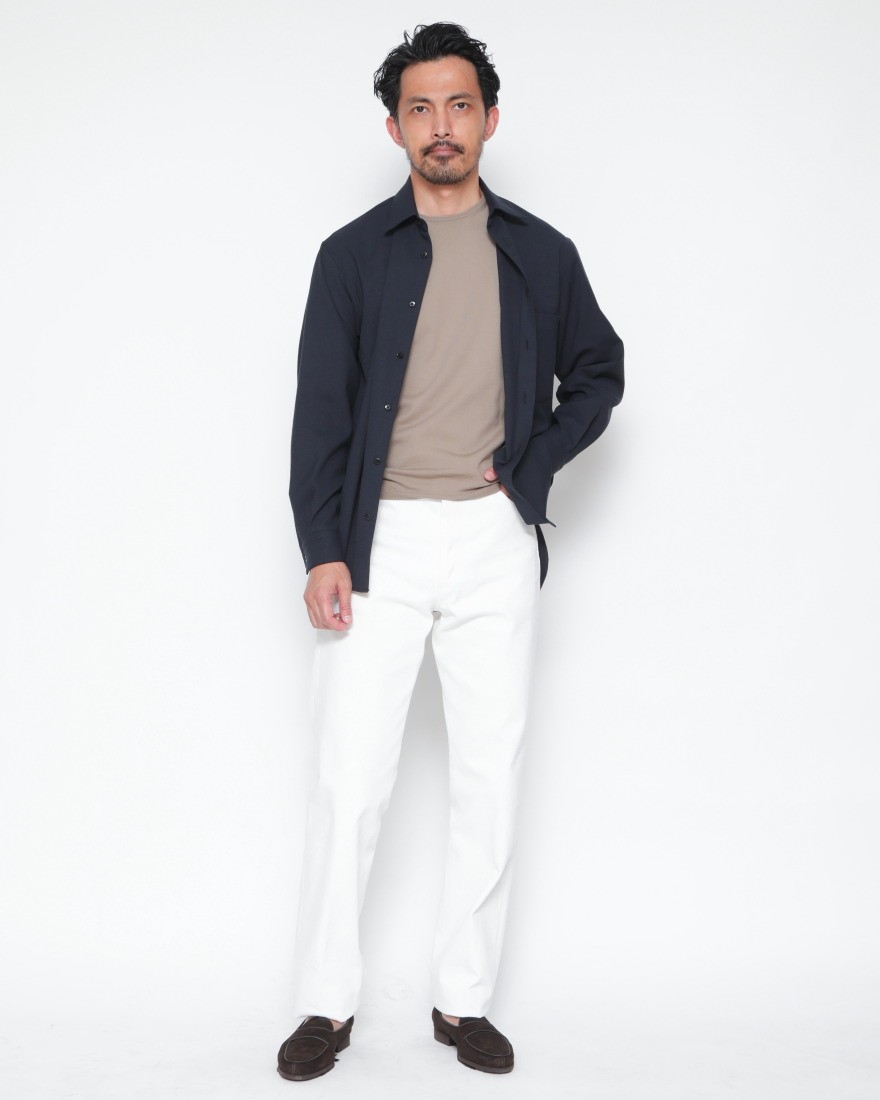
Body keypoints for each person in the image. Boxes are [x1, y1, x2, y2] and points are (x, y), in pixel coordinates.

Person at [277, 22, 624, 1081]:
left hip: (490, 539)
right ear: (394, 127)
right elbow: (320, 414)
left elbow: (599, 371)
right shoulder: (350, 256)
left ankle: (461, 1001)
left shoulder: (542, 252)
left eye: (459, 105)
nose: (441, 125)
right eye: (420, 108)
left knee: (487, 773)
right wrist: (323, 549)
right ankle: (325, 1005)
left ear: (490, 119)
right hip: (375, 538)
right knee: (349, 781)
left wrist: (531, 468)